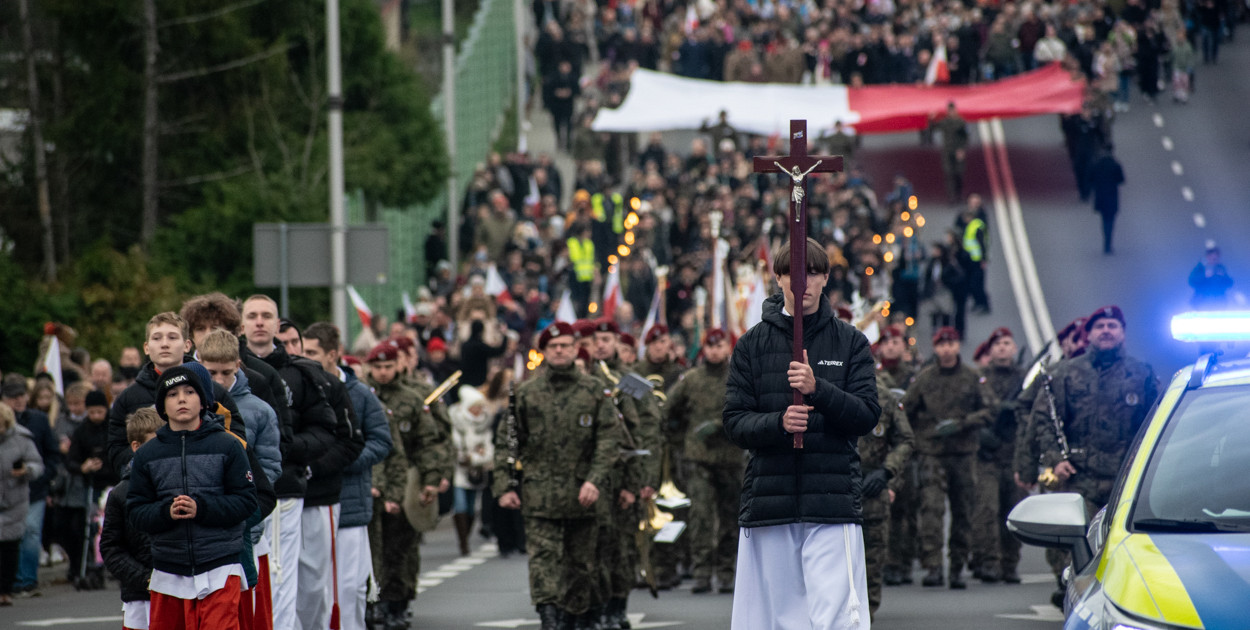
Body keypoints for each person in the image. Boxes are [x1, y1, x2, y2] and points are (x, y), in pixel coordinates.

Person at [723, 237, 881, 630]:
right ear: (777, 279)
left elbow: (866, 416)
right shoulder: (751, 345)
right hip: (770, 504)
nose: (803, 283)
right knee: (778, 619)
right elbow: (735, 421)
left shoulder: (851, 341)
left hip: (832, 503)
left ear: (826, 278)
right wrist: (778, 423)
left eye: (812, 273)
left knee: (837, 618)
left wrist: (818, 390)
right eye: (793, 273)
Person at [492, 322, 622, 630]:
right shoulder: (525, 393)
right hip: (540, 495)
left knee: (580, 566)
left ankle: (573, 617)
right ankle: (548, 617)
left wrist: (595, 480)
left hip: (583, 495)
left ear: (576, 348)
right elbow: (507, 442)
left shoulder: (594, 391)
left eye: (565, 345)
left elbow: (608, 441)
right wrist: (505, 485)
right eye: (553, 346)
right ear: (544, 351)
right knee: (543, 562)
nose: (560, 350)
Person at [127, 365, 258, 630]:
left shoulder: (228, 445)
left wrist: (202, 508)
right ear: (162, 405)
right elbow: (136, 512)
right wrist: (166, 512)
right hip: (168, 570)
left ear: (203, 401)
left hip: (221, 565)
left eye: (189, 392)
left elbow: (246, 502)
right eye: (173, 394)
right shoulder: (146, 455)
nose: (182, 399)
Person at [241, 296, 341, 630]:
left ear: (276, 324)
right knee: (246, 581)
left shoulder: (300, 373)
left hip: (284, 489)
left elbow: (326, 428)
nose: (259, 322)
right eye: (252, 316)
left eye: (266, 316)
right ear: (241, 324)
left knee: (286, 578)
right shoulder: (226, 368)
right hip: (237, 493)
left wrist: (287, 449)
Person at [302, 322, 393, 630]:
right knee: (316, 588)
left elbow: (381, 441)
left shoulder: (360, 395)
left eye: (312, 352)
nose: (306, 358)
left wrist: (345, 462)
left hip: (350, 504)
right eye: (304, 351)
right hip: (312, 501)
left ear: (333, 355)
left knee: (350, 589)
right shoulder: (301, 389)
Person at [1034, 306, 1159, 515]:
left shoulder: (1141, 373)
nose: (1106, 330)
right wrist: (1055, 458)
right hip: (1079, 479)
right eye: (1099, 326)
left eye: (1112, 325)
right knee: (1077, 544)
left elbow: (1156, 422)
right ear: (1089, 334)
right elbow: (1044, 417)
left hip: (1127, 480)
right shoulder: (1066, 372)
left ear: (1122, 332)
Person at [900, 326, 997, 589]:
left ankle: (957, 567)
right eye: (941, 345)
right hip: (932, 453)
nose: (946, 349)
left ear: (957, 347)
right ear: (935, 348)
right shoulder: (925, 378)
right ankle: (934, 567)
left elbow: (990, 410)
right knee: (931, 510)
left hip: (964, 454)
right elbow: (905, 410)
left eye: (951, 344)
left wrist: (963, 423)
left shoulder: (972, 377)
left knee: (963, 512)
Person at [364, 341, 451, 630]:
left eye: (388, 366)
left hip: (407, 481)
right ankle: (372, 604)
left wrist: (431, 480)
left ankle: (396, 604)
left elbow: (430, 444)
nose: (384, 372)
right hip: (371, 482)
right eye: (378, 367)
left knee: (401, 548)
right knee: (371, 550)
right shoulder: (361, 396)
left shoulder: (412, 399)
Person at [663, 328, 743, 595]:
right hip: (699, 459)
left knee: (730, 517)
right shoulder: (692, 379)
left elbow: (749, 410)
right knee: (701, 516)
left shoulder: (738, 377)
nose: (714, 351)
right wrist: (681, 440)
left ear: (727, 348)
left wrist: (723, 426)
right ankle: (701, 573)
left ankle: (726, 572)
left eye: (719, 346)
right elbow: (668, 412)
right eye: (710, 346)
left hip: (731, 458)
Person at [969, 328, 1026, 584]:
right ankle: (988, 561)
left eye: (1007, 343)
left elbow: (1034, 412)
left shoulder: (1024, 379)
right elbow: (966, 411)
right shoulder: (978, 378)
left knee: (1013, 512)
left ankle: (1010, 563)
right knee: (987, 510)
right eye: (997, 344)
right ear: (990, 350)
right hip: (986, 457)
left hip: (1014, 454)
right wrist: (980, 435)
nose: (1002, 348)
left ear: (1014, 348)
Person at [100, 407, 162, 630]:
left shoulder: (177, 484)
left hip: (177, 591)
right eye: (155, 443)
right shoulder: (120, 494)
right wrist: (146, 579)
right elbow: (111, 548)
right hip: (139, 598)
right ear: (136, 447)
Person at [858, 377, 914, 620]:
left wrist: (886, 472)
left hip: (873, 487)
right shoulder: (825, 391)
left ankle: (866, 612)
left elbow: (905, 440)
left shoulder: (885, 398)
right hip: (835, 489)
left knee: (872, 555)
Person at [1, 375, 59, 598]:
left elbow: (51, 454)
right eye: (12, 397)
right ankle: (10, 581)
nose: (18, 400)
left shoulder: (38, 420)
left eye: (21, 395)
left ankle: (28, 580)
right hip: (6, 492)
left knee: (30, 531)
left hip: (33, 489)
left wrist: (40, 476)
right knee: (9, 537)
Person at [65, 389, 120, 588]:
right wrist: (84, 467)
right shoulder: (81, 431)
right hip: (94, 484)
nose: (96, 416)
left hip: (115, 481)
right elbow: (71, 460)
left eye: (100, 411)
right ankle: (92, 565)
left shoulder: (114, 427)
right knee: (92, 526)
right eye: (92, 412)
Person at [0, 402, 45, 607]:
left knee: (9, 546)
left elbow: (37, 464)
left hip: (14, 499)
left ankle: (6, 589)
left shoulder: (22, 438)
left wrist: (26, 470)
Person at [448, 385, 494, 557]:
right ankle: (463, 542)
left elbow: (488, 451)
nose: (478, 410)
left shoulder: (484, 423)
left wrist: (473, 457)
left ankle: (465, 535)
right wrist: (472, 453)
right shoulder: (457, 422)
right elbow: (455, 447)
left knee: (471, 507)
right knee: (459, 505)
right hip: (459, 472)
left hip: (476, 472)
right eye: (475, 406)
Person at [1086, 145, 1125, 255]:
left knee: (1104, 220)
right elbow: (1121, 179)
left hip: (1100, 196)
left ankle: (1106, 242)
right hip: (1112, 196)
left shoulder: (1097, 164)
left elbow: (1090, 178)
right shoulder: (1115, 165)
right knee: (1111, 220)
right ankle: (1108, 242)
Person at [931, 102, 969, 203]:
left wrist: (962, 149)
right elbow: (933, 128)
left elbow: (965, 137)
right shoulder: (945, 122)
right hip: (947, 152)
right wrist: (931, 118)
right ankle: (952, 197)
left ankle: (959, 195)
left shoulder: (961, 122)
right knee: (949, 174)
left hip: (957, 152)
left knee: (958, 174)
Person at [1188, 243, 1234, 310]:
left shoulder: (1221, 268)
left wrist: (1223, 276)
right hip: (1202, 302)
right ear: (1207, 257)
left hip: (1219, 302)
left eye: (1216, 258)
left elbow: (1230, 283)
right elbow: (1191, 281)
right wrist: (1204, 276)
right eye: (1212, 258)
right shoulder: (1200, 268)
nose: (1214, 260)